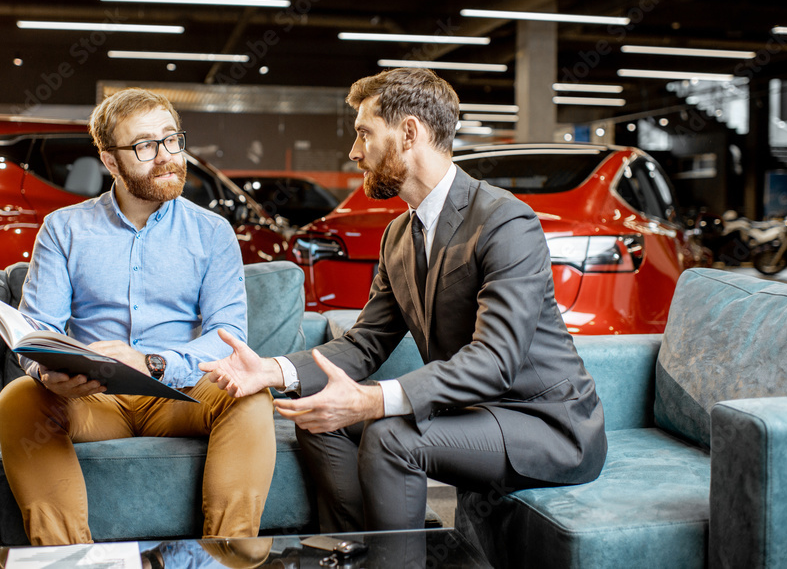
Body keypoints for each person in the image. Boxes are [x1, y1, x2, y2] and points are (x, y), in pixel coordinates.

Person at [201, 68, 607, 532]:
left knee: (391, 437)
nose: (355, 153)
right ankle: (362, 552)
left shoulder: (505, 221)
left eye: (364, 134)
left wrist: (372, 401)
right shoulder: (398, 235)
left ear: (409, 132)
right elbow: (365, 343)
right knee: (318, 414)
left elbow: (495, 361)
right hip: (474, 414)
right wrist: (274, 371)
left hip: (545, 425)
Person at [0, 88, 276, 545]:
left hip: (180, 393)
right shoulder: (65, 229)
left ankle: (226, 558)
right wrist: (45, 371)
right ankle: (69, 560)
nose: (166, 156)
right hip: (92, 399)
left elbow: (228, 334)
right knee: (17, 400)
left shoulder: (212, 232)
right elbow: (37, 330)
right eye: (145, 145)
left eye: (172, 139)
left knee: (250, 397)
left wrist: (153, 364)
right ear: (110, 160)